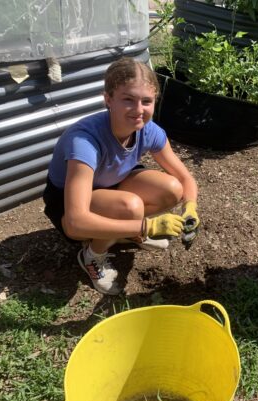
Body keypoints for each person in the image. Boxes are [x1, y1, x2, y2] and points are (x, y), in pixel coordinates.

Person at [43, 57, 199, 295]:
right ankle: (92, 256)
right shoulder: (85, 141)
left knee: (173, 189)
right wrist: (147, 225)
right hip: (68, 206)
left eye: (147, 101)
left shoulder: (149, 131)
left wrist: (190, 208)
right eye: (128, 100)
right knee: (130, 207)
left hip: (111, 183)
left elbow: (185, 179)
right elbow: (75, 223)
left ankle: (129, 231)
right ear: (108, 99)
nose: (139, 110)